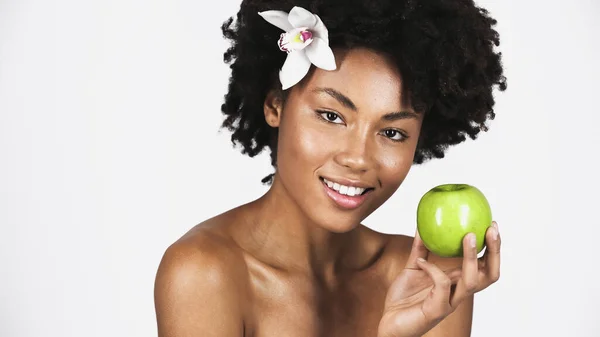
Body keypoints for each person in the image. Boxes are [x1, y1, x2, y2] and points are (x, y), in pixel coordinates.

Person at [154, 0, 506, 336]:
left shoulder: (426, 281)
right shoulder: (205, 273)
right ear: (275, 105)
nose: (358, 158)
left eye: (392, 132)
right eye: (331, 116)